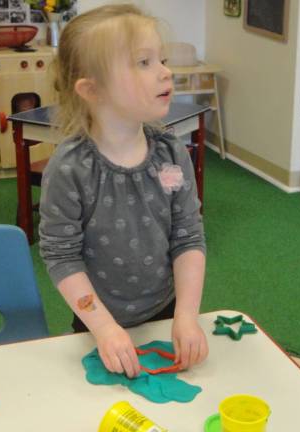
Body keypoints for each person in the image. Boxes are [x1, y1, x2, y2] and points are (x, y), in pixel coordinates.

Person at [38, 4, 208, 379]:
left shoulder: (170, 153)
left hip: (167, 313)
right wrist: (103, 328)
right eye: (144, 63)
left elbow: (188, 236)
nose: (166, 71)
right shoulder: (70, 168)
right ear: (92, 89)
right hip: (97, 321)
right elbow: (62, 256)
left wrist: (186, 316)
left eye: (161, 59)